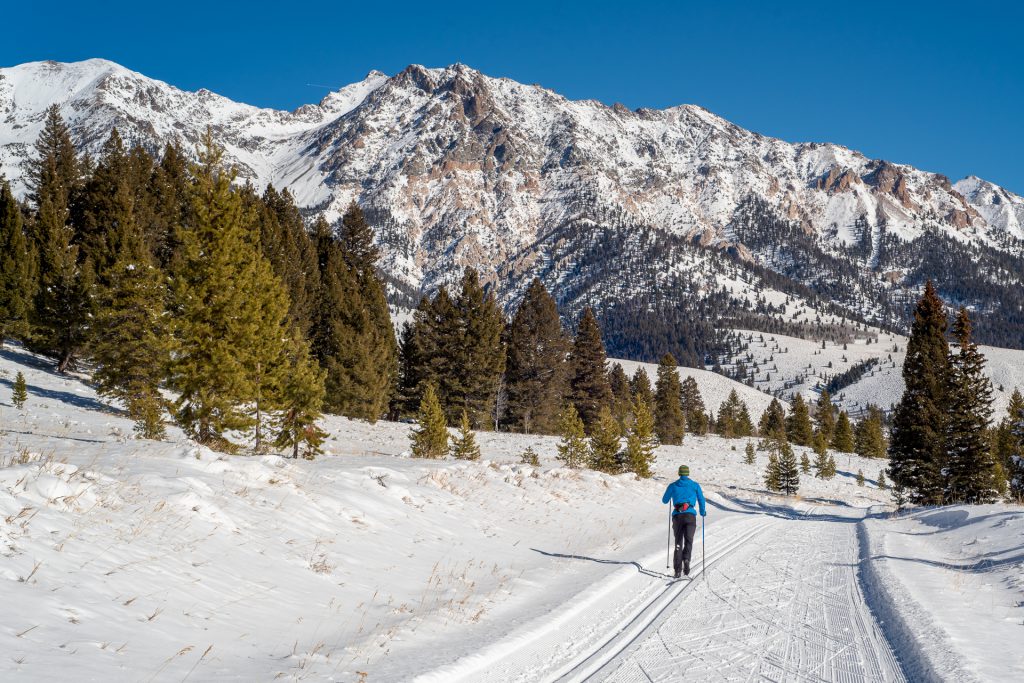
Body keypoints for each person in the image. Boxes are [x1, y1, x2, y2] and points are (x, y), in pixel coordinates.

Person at [662, 464, 706, 578]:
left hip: (677, 517)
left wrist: (673, 494)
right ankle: (686, 560)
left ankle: (677, 570)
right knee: (688, 541)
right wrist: (702, 512)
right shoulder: (695, 485)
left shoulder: (673, 485)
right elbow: (701, 499)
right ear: (688, 473)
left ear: (679, 473)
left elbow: (664, 500)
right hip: (690, 516)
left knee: (678, 542)